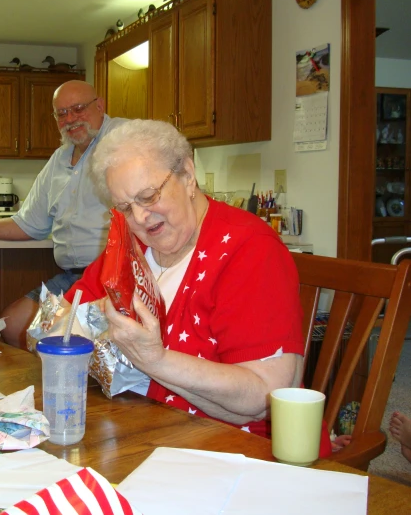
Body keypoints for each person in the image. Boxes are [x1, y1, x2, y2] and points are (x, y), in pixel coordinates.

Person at [65, 119, 305, 437]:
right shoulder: (130, 245)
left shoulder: (249, 249)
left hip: (236, 451)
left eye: (148, 196)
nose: (138, 217)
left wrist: (154, 359)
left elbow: (264, 395)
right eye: (124, 207)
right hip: (140, 429)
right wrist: (95, 315)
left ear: (188, 176)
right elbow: (62, 321)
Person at [0, 80, 126, 347]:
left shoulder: (125, 139)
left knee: (66, 337)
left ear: (100, 106)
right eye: (62, 113)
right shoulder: (59, 160)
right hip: (72, 277)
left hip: (115, 276)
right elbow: (28, 224)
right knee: (13, 324)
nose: (71, 119)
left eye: (79, 108)